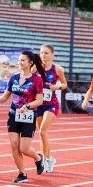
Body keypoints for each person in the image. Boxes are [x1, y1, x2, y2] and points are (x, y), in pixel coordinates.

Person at [0, 51, 46, 183]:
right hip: (13, 115)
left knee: (24, 148)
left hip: (28, 116)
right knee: (14, 145)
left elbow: (39, 100)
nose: (20, 62)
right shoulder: (14, 78)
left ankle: (38, 158)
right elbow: (4, 97)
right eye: (19, 60)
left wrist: (27, 106)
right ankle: (22, 173)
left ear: (31, 63)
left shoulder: (36, 80)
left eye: (23, 60)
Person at [37, 44, 67, 172]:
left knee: (43, 131)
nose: (43, 55)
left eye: (46, 53)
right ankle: (48, 158)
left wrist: (57, 87)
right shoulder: (35, 68)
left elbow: (64, 84)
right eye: (41, 53)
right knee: (41, 134)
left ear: (52, 55)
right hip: (38, 103)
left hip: (51, 104)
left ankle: (45, 161)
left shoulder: (58, 69)